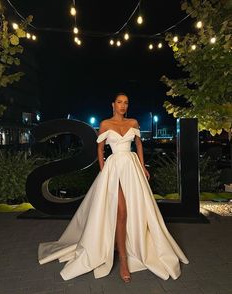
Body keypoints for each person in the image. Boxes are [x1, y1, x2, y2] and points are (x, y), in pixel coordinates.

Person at [38, 93, 189, 282]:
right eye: (120, 102)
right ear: (113, 105)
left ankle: (124, 246)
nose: (123, 106)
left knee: (135, 210)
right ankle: (123, 260)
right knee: (122, 211)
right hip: (113, 169)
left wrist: (142, 166)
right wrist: (104, 171)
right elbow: (100, 149)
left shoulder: (133, 122)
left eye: (126, 103)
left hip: (131, 168)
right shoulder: (105, 124)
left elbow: (139, 145)